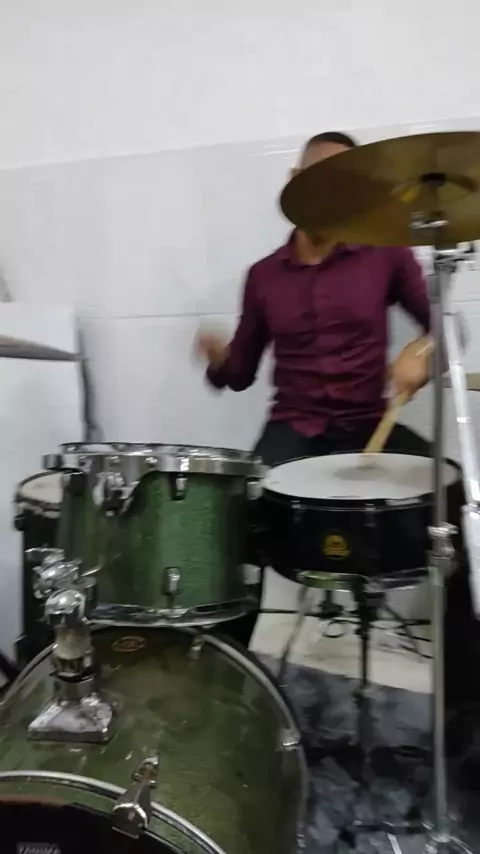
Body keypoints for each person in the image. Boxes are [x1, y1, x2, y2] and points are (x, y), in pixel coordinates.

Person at [195, 131, 434, 648]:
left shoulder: (386, 254)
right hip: (294, 426)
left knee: (451, 499)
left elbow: (441, 326)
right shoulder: (263, 276)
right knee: (236, 521)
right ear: (295, 181)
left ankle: (462, 665)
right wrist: (218, 361)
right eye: (322, 176)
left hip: (368, 424)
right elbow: (241, 372)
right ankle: (227, 660)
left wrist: (421, 352)